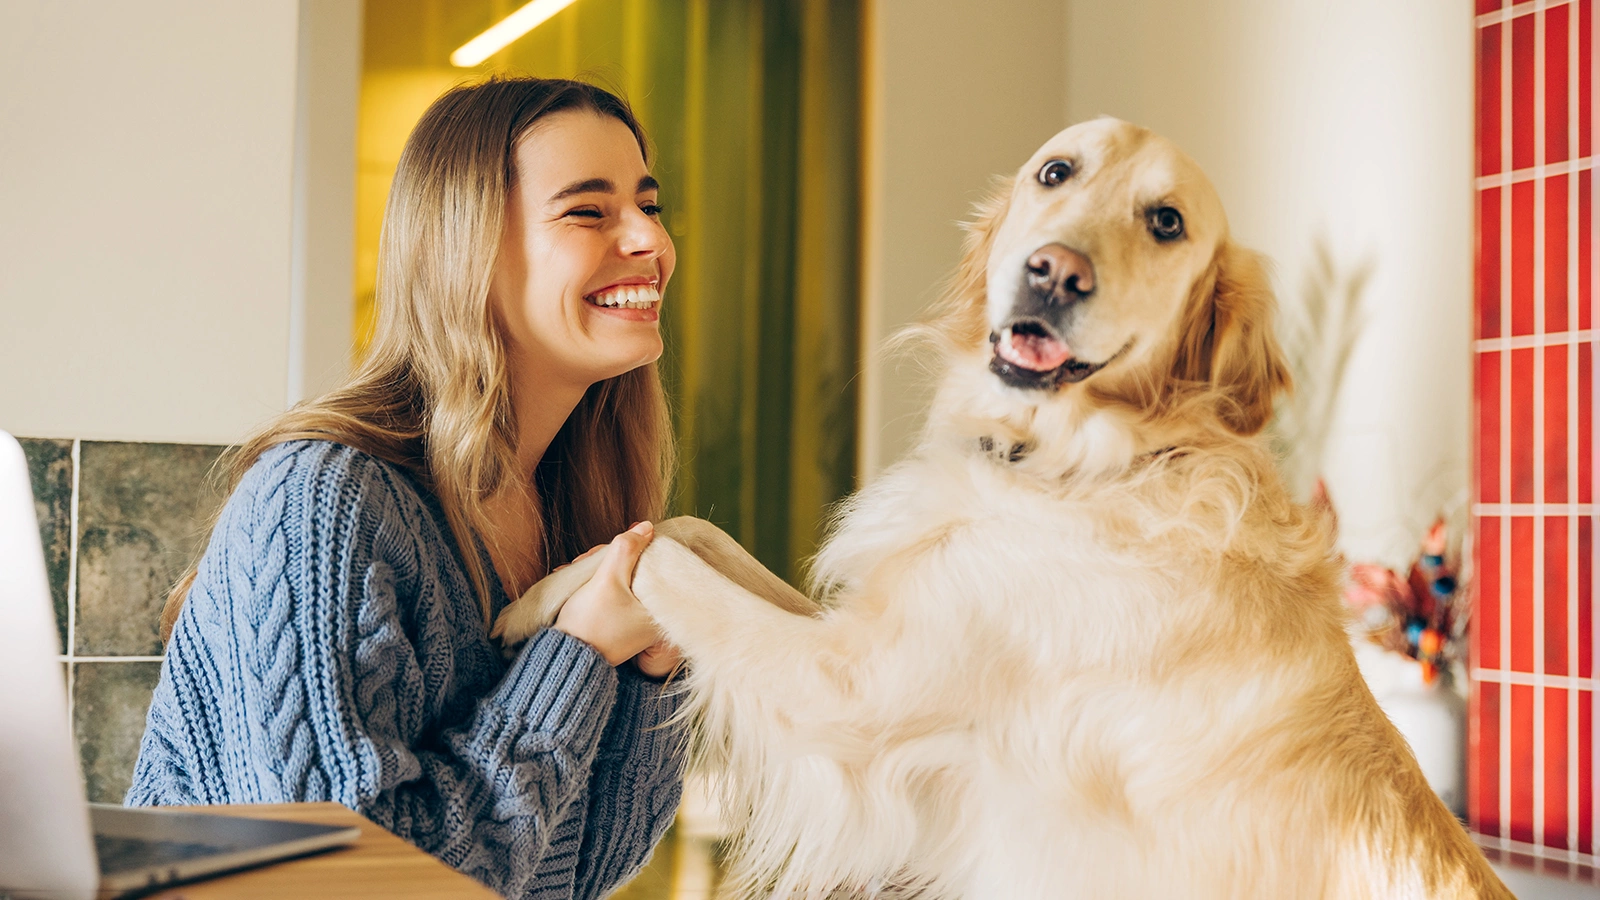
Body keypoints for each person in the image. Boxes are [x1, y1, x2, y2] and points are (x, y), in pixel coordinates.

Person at [127, 77, 687, 900]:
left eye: (649, 204)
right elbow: (334, 884)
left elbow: (576, 875)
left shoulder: (569, 513)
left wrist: (647, 678)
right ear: (468, 250)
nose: (651, 239)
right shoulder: (321, 500)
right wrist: (577, 656)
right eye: (587, 211)